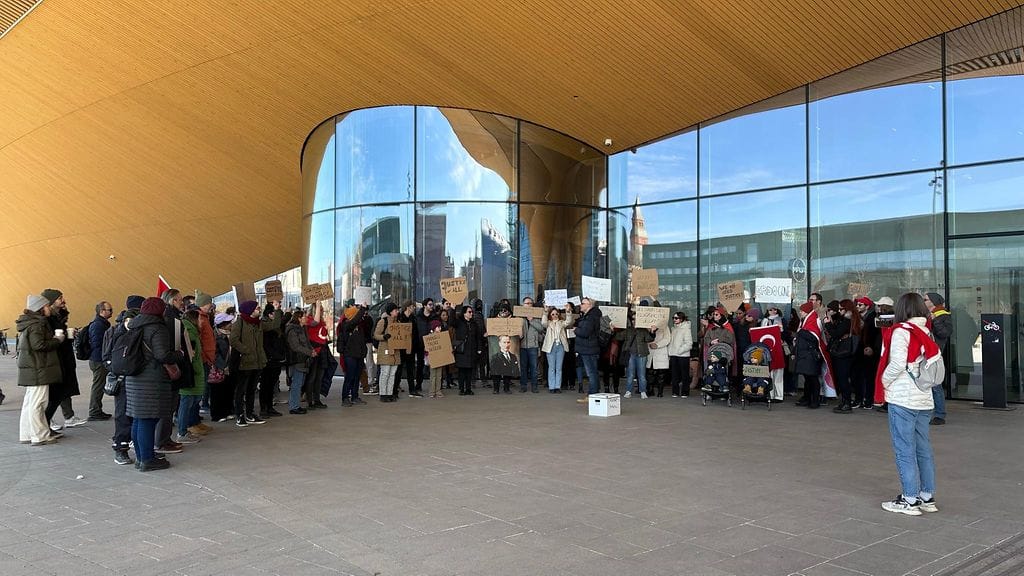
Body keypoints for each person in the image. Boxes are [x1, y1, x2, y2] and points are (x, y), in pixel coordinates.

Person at [879, 293, 939, 516]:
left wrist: (884, 382)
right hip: (924, 398)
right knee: (923, 448)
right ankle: (926, 496)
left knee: (904, 449)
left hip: (903, 397)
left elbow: (896, 364)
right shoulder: (926, 330)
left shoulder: (901, 331)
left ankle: (910, 499)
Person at [126, 297, 183, 471]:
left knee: (138, 420)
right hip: (151, 380)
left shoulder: (134, 325)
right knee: (148, 420)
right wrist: (178, 354)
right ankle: (148, 460)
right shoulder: (157, 328)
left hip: (134, 378)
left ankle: (141, 457)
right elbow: (162, 355)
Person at [17, 294, 65, 446]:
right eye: (46, 306)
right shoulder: (37, 325)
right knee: (38, 403)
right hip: (39, 368)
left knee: (30, 402)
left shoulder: (28, 323)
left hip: (32, 369)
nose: (48, 308)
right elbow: (39, 345)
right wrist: (57, 340)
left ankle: (26, 433)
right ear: (40, 309)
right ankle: (40, 435)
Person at [41, 289, 87, 430]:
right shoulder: (46, 320)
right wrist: (61, 337)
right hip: (56, 360)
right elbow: (45, 342)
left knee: (64, 389)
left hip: (64, 359)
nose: (63, 301)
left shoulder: (57, 317)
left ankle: (67, 416)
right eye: (60, 298)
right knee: (53, 392)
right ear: (50, 301)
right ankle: (47, 420)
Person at [109, 296, 144, 465]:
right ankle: (120, 448)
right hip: (123, 380)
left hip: (136, 379)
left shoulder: (137, 334)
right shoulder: (115, 333)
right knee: (122, 414)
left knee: (135, 414)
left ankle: (136, 446)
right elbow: (106, 357)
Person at [230, 300, 268, 426]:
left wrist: (277, 308)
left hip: (257, 361)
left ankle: (250, 413)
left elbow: (274, 324)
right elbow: (234, 340)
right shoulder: (239, 323)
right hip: (245, 362)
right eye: (257, 308)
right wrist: (246, 350)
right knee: (241, 389)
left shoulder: (259, 323)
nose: (259, 309)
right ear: (250, 310)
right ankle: (240, 414)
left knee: (252, 389)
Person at [826, 299, 861, 413]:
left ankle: (847, 403)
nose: (839, 311)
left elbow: (836, 333)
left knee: (843, 378)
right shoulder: (850, 319)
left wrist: (827, 324)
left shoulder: (847, 320)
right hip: (847, 353)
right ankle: (846, 402)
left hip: (843, 353)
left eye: (841, 309)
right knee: (843, 378)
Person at [615, 307, 655, 399]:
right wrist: (615, 328)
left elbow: (650, 339)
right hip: (630, 354)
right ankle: (628, 391)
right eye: (633, 319)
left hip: (642, 354)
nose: (634, 321)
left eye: (636, 319)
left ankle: (643, 391)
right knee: (630, 374)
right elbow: (618, 337)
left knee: (641, 374)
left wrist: (652, 331)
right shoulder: (628, 330)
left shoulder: (644, 330)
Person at [924, 292, 951, 425]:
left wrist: (934, 320)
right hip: (924, 353)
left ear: (933, 301)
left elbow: (945, 333)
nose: (924, 301)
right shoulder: (924, 315)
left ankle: (939, 414)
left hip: (934, 354)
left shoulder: (943, 315)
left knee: (935, 385)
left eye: (926, 299)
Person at [338, 300, 370, 407]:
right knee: (350, 377)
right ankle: (345, 397)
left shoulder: (359, 327)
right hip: (350, 355)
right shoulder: (346, 325)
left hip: (359, 355)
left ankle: (355, 396)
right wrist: (362, 309)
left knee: (357, 376)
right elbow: (355, 320)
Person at [87, 300, 114, 420]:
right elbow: (97, 343)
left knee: (99, 385)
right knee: (98, 386)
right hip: (98, 360)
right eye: (110, 310)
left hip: (98, 359)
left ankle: (97, 409)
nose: (112, 312)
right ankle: (94, 411)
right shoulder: (98, 325)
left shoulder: (101, 324)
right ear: (102, 311)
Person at [285, 309, 314, 414]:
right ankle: (294, 406)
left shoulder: (302, 329)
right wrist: (309, 352)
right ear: (299, 318)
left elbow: (306, 342)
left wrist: (311, 351)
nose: (306, 318)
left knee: (299, 382)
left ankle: (295, 405)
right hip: (296, 360)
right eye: (304, 317)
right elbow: (295, 346)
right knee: (296, 383)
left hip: (302, 359)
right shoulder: (293, 330)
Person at [795, 302, 823, 409]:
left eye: (802, 311)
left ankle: (815, 400)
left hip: (810, 355)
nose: (800, 313)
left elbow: (815, 337)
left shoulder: (813, 322)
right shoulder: (806, 321)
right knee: (808, 378)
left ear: (806, 312)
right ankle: (807, 398)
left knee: (812, 378)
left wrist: (801, 332)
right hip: (805, 354)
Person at [573, 297, 603, 397]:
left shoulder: (590, 317)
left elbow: (585, 332)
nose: (580, 305)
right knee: (593, 371)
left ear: (589, 305)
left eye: (583, 303)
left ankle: (593, 394)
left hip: (589, 348)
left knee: (591, 372)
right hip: (589, 347)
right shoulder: (590, 315)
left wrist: (576, 330)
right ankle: (594, 392)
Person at [541, 304, 574, 393]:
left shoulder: (562, 323)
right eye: (553, 314)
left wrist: (567, 311)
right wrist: (545, 311)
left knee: (559, 368)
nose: (555, 315)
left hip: (560, 346)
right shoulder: (548, 323)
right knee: (551, 367)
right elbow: (543, 323)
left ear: (559, 314)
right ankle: (551, 387)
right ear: (550, 315)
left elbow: (569, 321)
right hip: (550, 346)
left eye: (556, 314)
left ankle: (557, 387)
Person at [374, 303, 402, 401]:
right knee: (385, 373)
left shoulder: (398, 322)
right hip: (385, 351)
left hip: (395, 352)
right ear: (390, 312)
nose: (397, 312)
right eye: (395, 310)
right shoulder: (383, 321)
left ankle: (389, 394)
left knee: (392, 374)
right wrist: (384, 337)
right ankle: (383, 394)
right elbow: (376, 335)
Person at [855, 297, 879, 409]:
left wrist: (872, 347)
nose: (858, 306)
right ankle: (860, 399)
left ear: (867, 306)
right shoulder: (859, 317)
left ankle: (868, 399)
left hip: (869, 349)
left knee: (869, 376)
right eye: (857, 305)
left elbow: (876, 334)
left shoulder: (873, 317)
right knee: (858, 375)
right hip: (860, 349)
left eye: (860, 305)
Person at [452, 304, 482, 395]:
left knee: (470, 371)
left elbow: (478, 337)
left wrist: (479, 348)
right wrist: (453, 309)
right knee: (461, 371)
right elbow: (451, 322)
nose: (471, 314)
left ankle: (468, 389)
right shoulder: (459, 322)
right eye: (469, 312)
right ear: (464, 313)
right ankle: (461, 389)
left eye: (472, 312)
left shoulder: (474, 323)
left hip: (472, 350)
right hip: (462, 350)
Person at [519, 297, 544, 393]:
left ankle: (534, 386)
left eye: (530, 303)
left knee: (534, 367)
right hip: (523, 346)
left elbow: (541, 329)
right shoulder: (519, 317)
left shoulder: (537, 316)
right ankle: (523, 385)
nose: (528, 305)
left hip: (533, 346)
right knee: (523, 367)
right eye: (526, 303)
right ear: (523, 305)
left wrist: (531, 320)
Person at [668, 311, 693, 398]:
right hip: (674, 354)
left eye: (676, 318)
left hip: (683, 355)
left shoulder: (686, 329)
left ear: (681, 319)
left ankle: (685, 392)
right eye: (673, 318)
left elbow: (689, 343)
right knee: (674, 374)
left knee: (684, 374)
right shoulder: (673, 329)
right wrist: (671, 352)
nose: (674, 320)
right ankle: (675, 391)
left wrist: (679, 350)